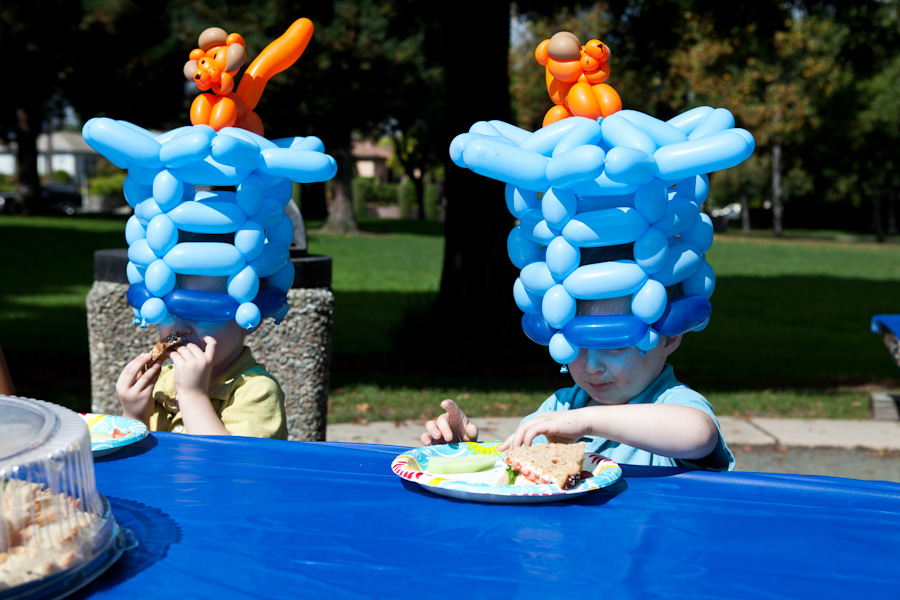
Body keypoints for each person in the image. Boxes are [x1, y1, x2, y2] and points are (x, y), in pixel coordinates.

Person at [420, 246, 734, 471]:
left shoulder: (670, 402)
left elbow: (699, 434)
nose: (591, 366)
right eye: (577, 346)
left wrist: (586, 421)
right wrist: (462, 452)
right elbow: (520, 472)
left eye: (614, 346)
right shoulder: (562, 406)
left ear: (668, 337)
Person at [115, 274, 287, 439]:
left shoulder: (257, 391)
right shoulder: (160, 380)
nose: (179, 327)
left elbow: (230, 465)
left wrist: (193, 395)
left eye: (200, 313)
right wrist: (134, 415)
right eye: (168, 312)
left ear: (250, 319)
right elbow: (132, 463)